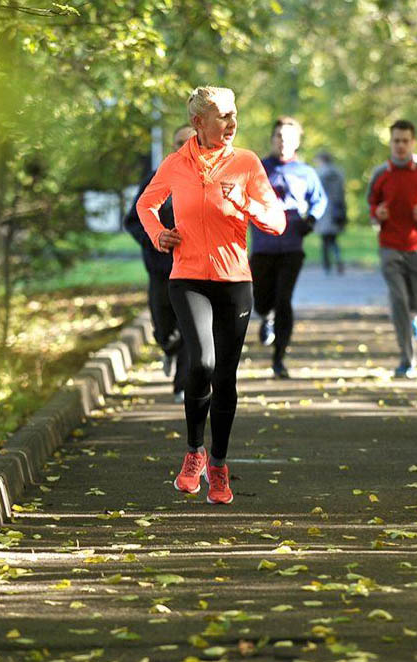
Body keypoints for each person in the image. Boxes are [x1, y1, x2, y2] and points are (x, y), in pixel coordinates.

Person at [136, 86, 285, 505]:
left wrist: (248, 206)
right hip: (187, 277)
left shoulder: (246, 163)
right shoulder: (176, 164)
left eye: (235, 114)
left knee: (225, 376)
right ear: (199, 123)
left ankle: (218, 465)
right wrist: (158, 234)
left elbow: (277, 222)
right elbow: (146, 206)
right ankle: (194, 452)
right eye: (223, 116)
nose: (232, 123)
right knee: (201, 361)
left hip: (234, 281)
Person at [249, 117, 327, 379]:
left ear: (297, 142)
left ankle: (279, 358)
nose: (283, 141)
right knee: (262, 299)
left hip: (292, 245)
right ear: (272, 139)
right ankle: (265, 316)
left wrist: (311, 221)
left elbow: (319, 201)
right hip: (263, 246)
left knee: (284, 299)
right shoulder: (257, 168)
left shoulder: (306, 173)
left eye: (289, 137)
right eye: (279, 136)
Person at [367, 119, 417, 378]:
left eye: (405, 141)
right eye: (396, 141)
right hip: (390, 245)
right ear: (390, 143)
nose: (400, 145)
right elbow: (371, 206)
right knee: (399, 300)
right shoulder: (381, 173)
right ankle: (406, 359)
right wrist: (377, 212)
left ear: (413, 142)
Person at [125, 125, 196, 402]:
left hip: (192, 272)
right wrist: (155, 238)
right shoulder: (156, 180)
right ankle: (168, 349)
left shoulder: (207, 181)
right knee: (165, 331)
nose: (184, 148)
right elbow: (133, 220)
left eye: (190, 143)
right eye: (179, 142)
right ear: (172, 146)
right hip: (160, 271)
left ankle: (182, 385)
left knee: (191, 328)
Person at [314, 151, 347, 274]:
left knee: (325, 240)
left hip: (324, 212)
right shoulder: (338, 174)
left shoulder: (319, 174)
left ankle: (327, 266)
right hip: (336, 210)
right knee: (333, 240)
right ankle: (338, 260)